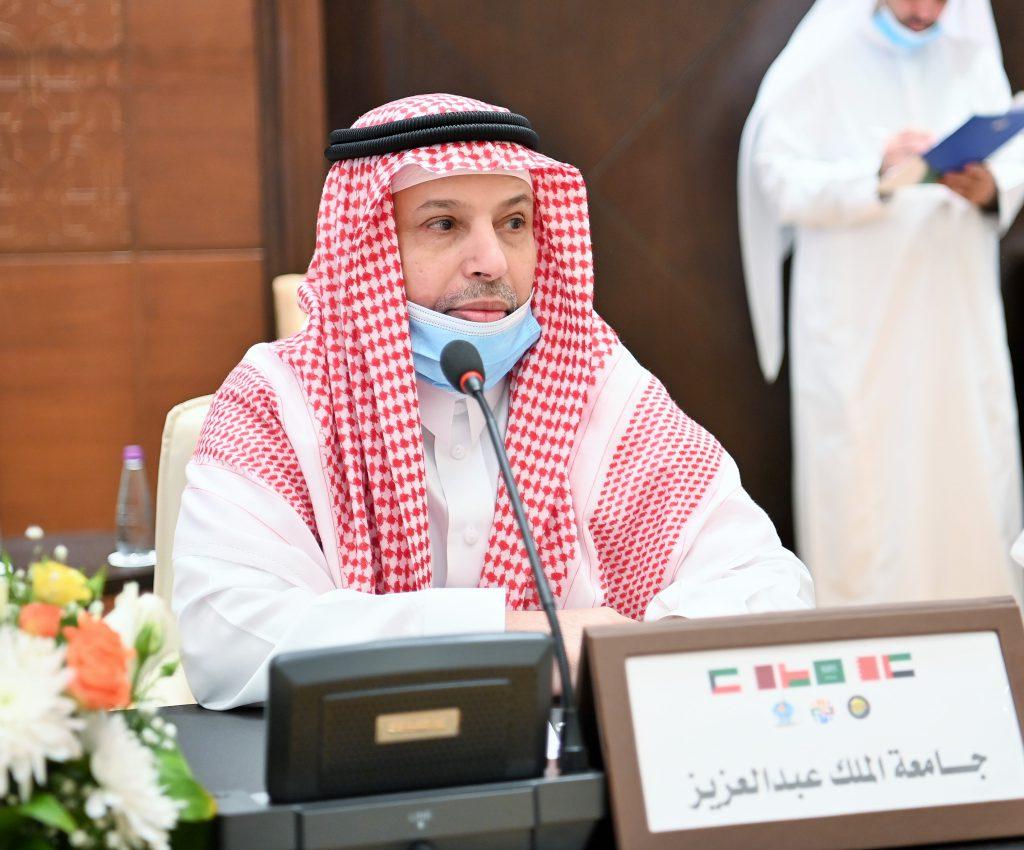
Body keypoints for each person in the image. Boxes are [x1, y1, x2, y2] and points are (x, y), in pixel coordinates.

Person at [174, 93, 813, 710]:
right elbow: (230, 636)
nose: (492, 261)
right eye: (444, 224)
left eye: (513, 223)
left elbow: (767, 585)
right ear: (370, 246)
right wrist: (528, 642)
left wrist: (638, 655)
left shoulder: (594, 382)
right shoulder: (277, 403)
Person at [739, 0, 1024, 607]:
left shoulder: (971, 55)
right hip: (859, 328)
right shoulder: (821, 61)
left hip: (955, 322)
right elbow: (779, 181)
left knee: (967, 475)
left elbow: (1008, 162)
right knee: (867, 490)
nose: (922, 11)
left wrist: (991, 186)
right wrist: (876, 172)